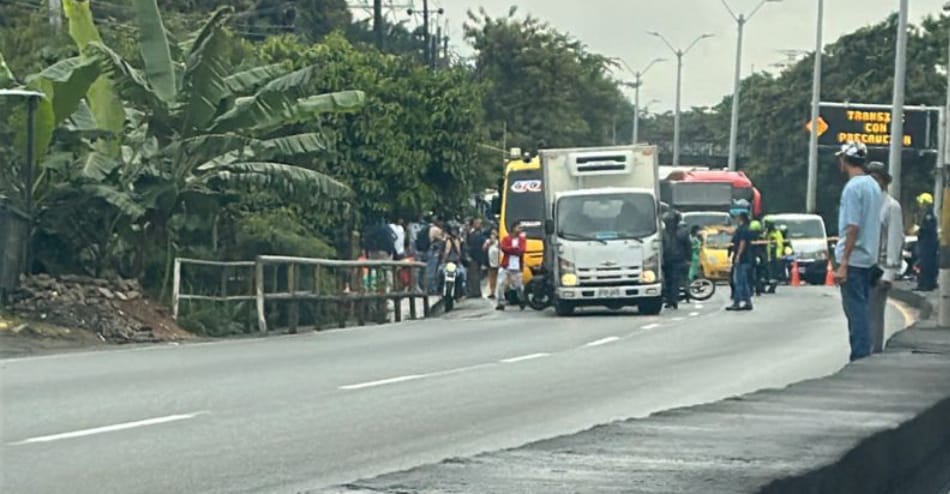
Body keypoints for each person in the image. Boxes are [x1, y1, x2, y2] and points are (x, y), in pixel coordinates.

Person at [833, 141, 883, 362]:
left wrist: (843, 262)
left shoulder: (853, 187)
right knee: (862, 308)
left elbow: (853, 227)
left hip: (854, 260)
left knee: (856, 313)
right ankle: (863, 355)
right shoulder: (873, 185)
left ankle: (860, 358)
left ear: (844, 160)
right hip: (867, 259)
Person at [867, 162, 904, 354]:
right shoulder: (865, 203)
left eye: (876, 177)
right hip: (862, 266)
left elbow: (895, 239)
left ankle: (874, 352)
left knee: (874, 315)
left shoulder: (891, 207)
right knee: (860, 316)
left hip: (879, 268)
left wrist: (889, 273)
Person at [661, 211, 691, 309]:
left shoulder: (682, 232)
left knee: (674, 280)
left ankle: (673, 300)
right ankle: (670, 299)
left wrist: (688, 259)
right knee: (668, 280)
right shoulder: (663, 233)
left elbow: (688, 246)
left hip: (677, 260)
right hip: (666, 259)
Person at [727, 212, 754, 311]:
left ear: (741, 218)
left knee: (738, 281)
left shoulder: (742, 230)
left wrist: (738, 255)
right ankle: (748, 302)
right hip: (747, 258)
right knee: (744, 281)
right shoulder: (746, 229)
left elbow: (742, 243)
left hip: (742, 259)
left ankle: (736, 303)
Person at [496, 222, 526, 311]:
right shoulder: (506, 239)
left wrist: (511, 250)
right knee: (501, 284)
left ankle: (522, 300)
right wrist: (514, 249)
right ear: (513, 228)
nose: (520, 229)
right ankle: (501, 302)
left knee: (518, 286)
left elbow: (522, 250)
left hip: (516, 266)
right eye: (518, 227)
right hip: (506, 265)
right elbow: (504, 248)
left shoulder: (522, 240)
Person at [914, 192, 938, 292]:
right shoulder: (926, 216)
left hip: (928, 246)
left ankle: (926, 284)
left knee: (926, 264)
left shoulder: (929, 217)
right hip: (926, 244)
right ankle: (924, 283)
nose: (920, 205)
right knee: (923, 264)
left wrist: (919, 230)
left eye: (921, 203)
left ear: (925, 203)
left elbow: (927, 230)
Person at [765, 218, 785, 290]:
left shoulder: (776, 233)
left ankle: (772, 287)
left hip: (775, 255)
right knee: (769, 272)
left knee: (773, 273)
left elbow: (779, 244)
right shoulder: (767, 233)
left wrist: (777, 255)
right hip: (769, 255)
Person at [484, 228, 500, 299]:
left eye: (495, 233)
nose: (493, 235)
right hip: (491, 262)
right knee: (491, 277)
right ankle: (492, 292)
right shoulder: (488, 241)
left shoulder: (499, 241)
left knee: (498, 277)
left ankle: (498, 292)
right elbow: (484, 248)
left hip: (498, 261)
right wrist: (489, 243)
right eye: (492, 233)